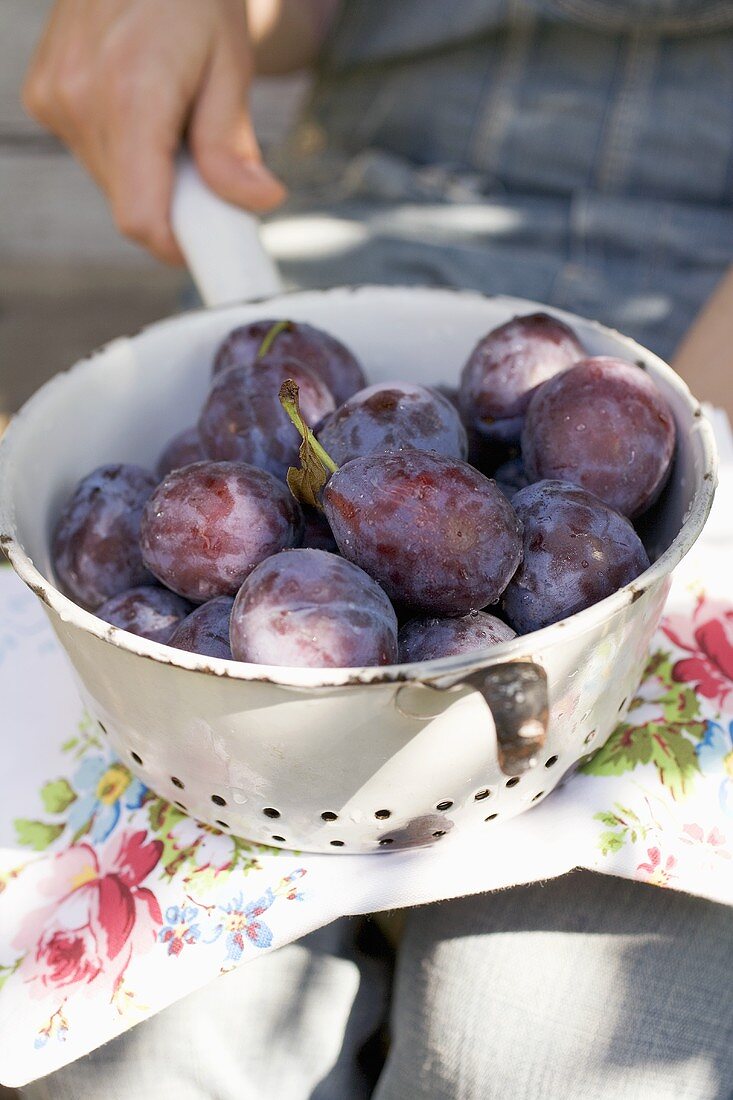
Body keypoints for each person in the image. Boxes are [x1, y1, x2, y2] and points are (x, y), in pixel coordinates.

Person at [20, 3, 733, 1098]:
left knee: (531, 1058)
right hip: (363, 216)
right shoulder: (304, 451)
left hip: (703, 299)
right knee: (151, 1057)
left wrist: (689, 430)